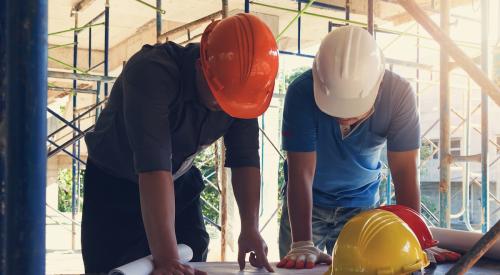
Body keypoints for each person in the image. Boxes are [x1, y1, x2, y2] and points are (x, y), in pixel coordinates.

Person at [82, 13, 279, 275]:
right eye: (219, 98)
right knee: (118, 268)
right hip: (114, 186)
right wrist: (165, 257)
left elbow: (245, 159)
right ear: (201, 66)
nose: (225, 109)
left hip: (177, 180)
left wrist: (250, 228)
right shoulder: (151, 72)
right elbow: (153, 164)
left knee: (192, 255)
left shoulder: (243, 90)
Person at [277, 25, 459, 269]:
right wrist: (302, 243)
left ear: (378, 84)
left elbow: (404, 171)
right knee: (298, 267)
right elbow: (301, 172)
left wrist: (417, 239)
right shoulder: (300, 93)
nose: (343, 117)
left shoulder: (399, 95)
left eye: (353, 110)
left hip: (361, 205)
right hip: (306, 205)